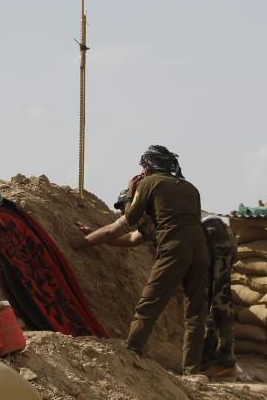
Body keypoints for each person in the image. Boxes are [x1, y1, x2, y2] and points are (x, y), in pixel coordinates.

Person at [76, 146, 209, 374]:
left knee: (148, 304)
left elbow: (130, 218)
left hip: (174, 249)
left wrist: (131, 191)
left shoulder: (150, 183)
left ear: (148, 166)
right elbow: (132, 238)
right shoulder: (191, 188)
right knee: (196, 313)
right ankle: (192, 372)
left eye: (143, 167)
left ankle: (133, 352)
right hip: (200, 251)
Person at [200, 215, 237, 380]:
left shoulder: (147, 212)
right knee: (212, 299)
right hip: (215, 233)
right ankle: (209, 357)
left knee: (220, 299)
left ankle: (225, 363)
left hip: (214, 233)